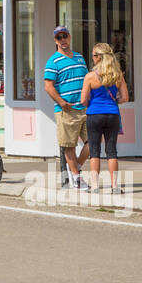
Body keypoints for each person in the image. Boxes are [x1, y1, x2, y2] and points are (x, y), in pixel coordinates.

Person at [80, 42, 130, 193]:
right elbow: (125, 98)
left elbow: (83, 100)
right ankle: (115, 186)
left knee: (94, 150)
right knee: (111, 151)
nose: (92, 58)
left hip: (94, 114)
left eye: (94, 55)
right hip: (112, 115)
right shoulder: (117, 75)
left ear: (99, 57)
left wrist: (91, 103)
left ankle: (95, 186)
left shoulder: (90, 77)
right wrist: (114, 101)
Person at [44, 26, 90, 189]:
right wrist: (62, 102)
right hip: (66, 110)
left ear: (70, 37)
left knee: (93, 142)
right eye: (59, 37)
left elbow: (87, 80)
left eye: (65, 36)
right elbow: (48, 86)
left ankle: (75, 167)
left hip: (84, 108)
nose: (62, 40)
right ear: (55, 41)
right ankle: (77, 178)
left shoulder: (79, 58)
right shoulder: (53, 61)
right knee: (69, 145)